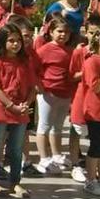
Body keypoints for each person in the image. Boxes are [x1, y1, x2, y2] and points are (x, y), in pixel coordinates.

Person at [0, 24, 36, 198]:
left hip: (20, 110)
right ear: (3, 42)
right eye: (11, 40)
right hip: (2, 109)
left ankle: (15, 182)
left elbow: (32, 88)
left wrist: (25, 105)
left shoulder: (25, 62)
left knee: (16, 148)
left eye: (18, 40)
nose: (16, 44)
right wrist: (11, 106)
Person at [34, 15, 76, 175]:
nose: (63, 35)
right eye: (59, 31)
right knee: (44, 126)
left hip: (65, 93)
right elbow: (34, 70)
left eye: (66, 32)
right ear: (51, 32)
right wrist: (39, 86)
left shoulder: (70, 51)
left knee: (57, 126)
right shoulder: (44, 50)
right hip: (48, 92)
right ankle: (44, 158)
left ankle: (56, 154)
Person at [79, 30, 100, 195]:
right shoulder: (92, 61)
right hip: (95, 111)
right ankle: (90, 180)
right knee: (96, 146)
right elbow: (95, 86)